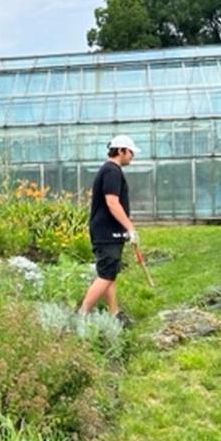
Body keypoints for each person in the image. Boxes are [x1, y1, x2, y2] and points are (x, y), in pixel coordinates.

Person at [77, 135, 141, 326]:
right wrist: (130, 228)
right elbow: (112, 203)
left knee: (109, 273)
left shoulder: (111, 170)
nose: (132, 156)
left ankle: (115, 314)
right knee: (105, 275)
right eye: (130, 152)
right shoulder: (112, 171)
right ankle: (81, 315)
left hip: (108, 232)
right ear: (121, 150)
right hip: (107, 233)